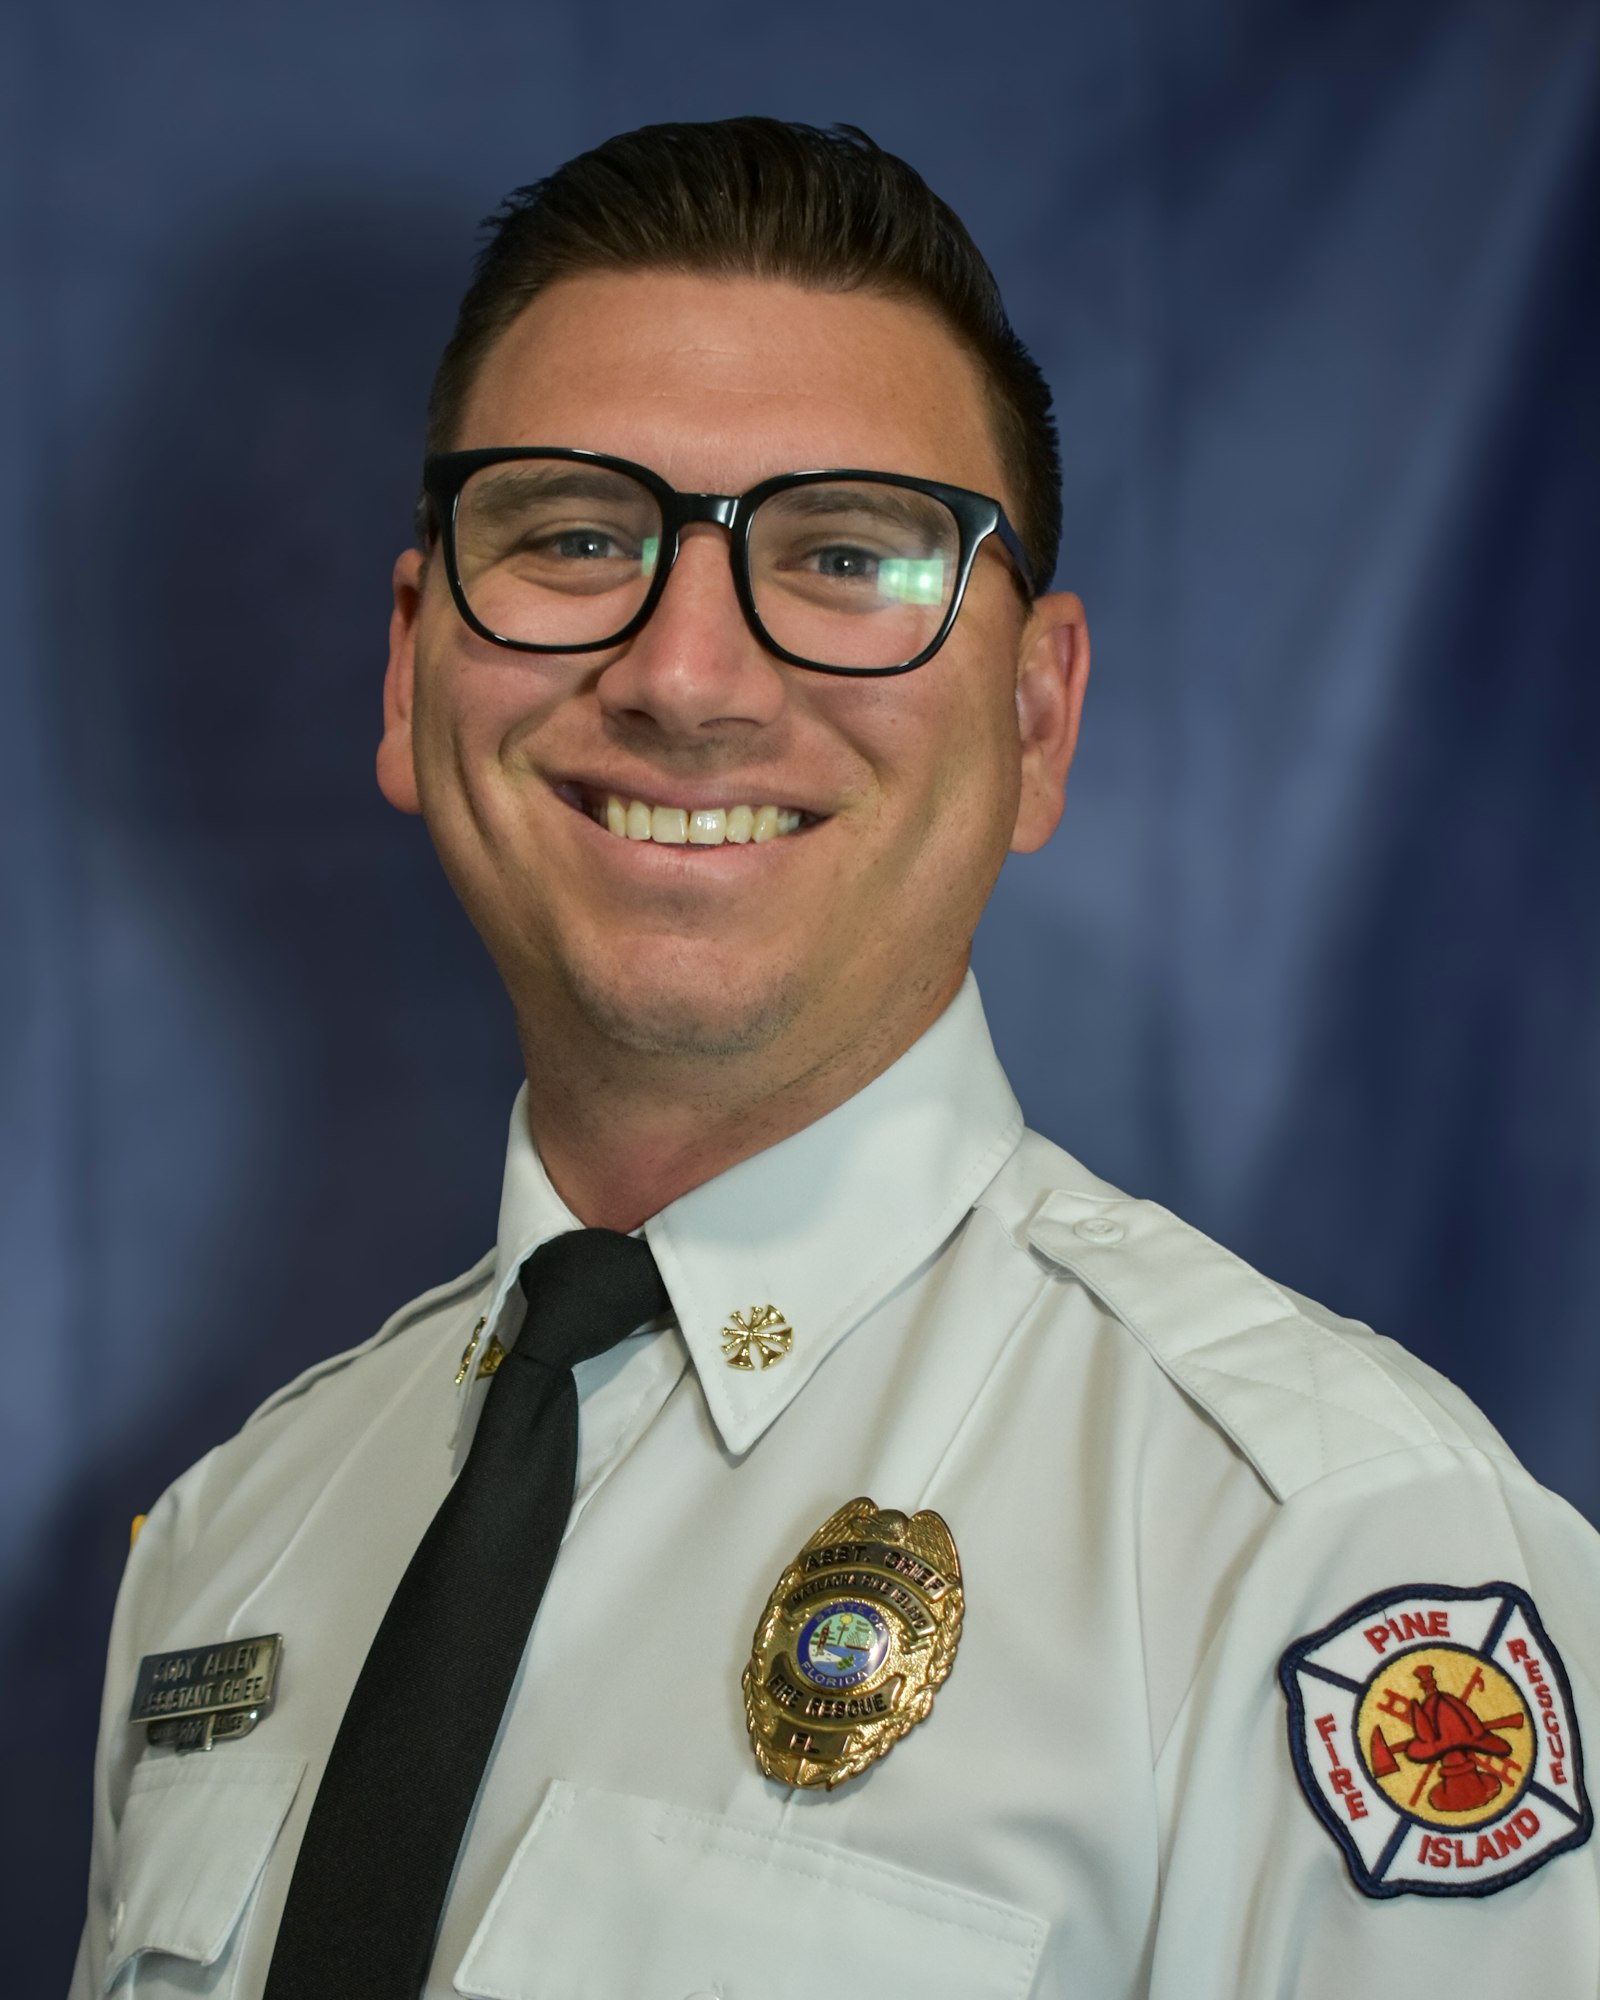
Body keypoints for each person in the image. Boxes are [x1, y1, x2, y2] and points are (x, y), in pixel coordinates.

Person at [71, 118, 1599, 2000]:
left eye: (849, 556)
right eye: (570, 536)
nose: (687, 676)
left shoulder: (1311, 1549)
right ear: (409, 671)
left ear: (1038, 724)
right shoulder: (232, 1544)